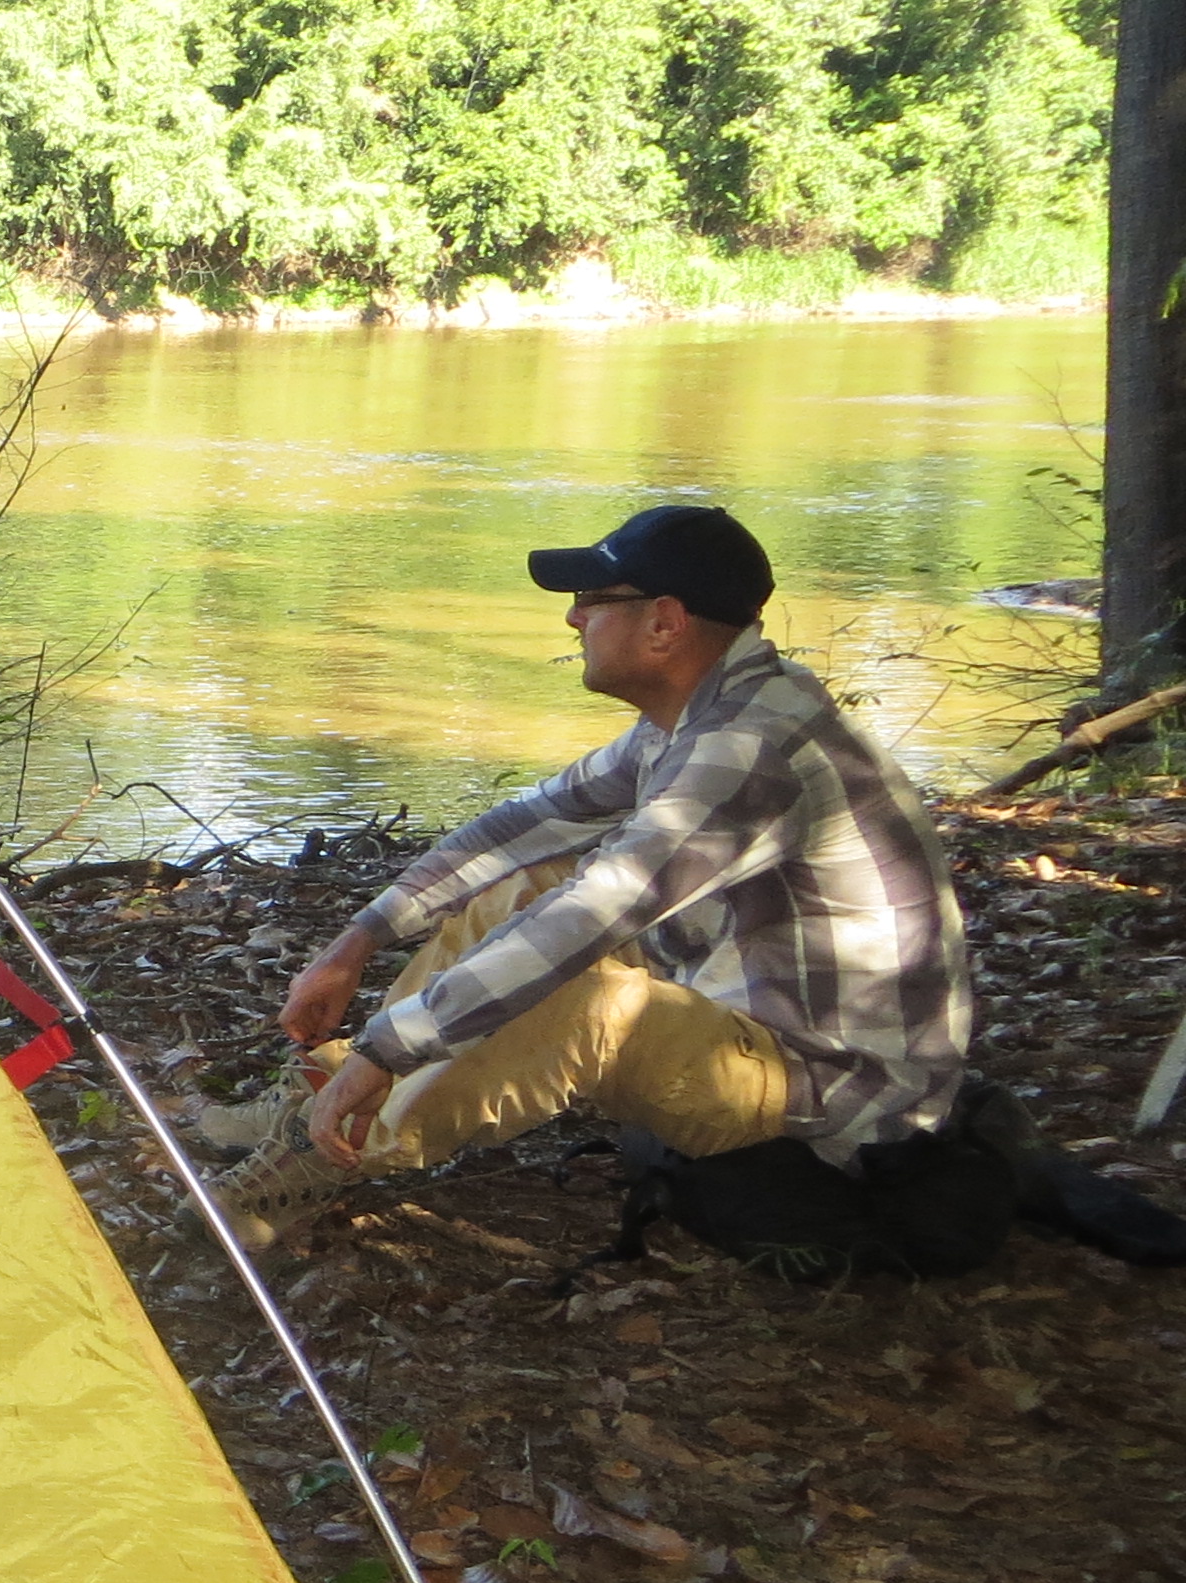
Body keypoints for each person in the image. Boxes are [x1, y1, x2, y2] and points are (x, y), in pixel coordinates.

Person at [216, 505, 972, 1251]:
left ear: (666, 624)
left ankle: (318, 1157)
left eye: (590, 602)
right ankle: (321, 1088)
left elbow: (593, 915)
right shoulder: (702, 716)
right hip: (745, 1014)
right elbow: (523, 828)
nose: (574, 621)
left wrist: (391, 1046)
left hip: (837, 1104)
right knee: (524, 882)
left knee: (590, 998)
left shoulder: (746, 747)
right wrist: (359, 938)